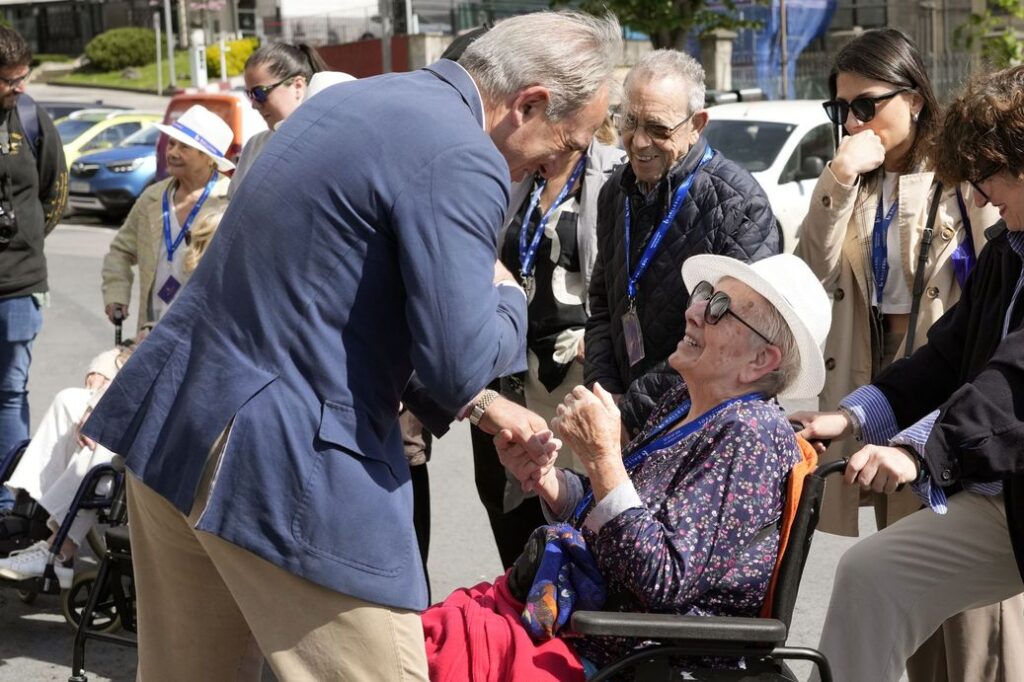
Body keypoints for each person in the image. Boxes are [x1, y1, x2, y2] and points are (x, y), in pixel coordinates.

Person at [82, 11, 622, 681]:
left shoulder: (352, 100)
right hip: (282, 466)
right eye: (566, 141)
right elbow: (458, 361)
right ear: (530, 103)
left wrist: (483, 408)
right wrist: (507, 295)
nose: (556, 164)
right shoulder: (463, 153)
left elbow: (329, 301)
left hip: (177, 430)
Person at [422, 253, 831, 679]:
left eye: (718, 308)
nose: (692, 311)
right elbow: (627, 509)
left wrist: (602, 457)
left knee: (428, 651)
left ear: (760, 361)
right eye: (705, 295)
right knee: (428, 636)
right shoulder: (684, 403)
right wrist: (549, 479)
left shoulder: (751, 433)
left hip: (646, 655)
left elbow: (664, 577)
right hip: (591, 628)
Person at [794, 30, 1016, 680]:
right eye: (842, 110)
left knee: (980, 648)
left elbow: (1005, 365)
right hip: (924, 410)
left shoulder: (964, 193)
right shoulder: (862, 187)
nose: (853, 122)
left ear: (915, 98)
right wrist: (857, 417)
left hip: (978, 431)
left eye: (866, 104)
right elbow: (948, 350)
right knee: (888, 597)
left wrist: (919, 445)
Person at [584, 49, 779, 403]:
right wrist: (604, 390)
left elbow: (733, 338)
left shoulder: (740, 203)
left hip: (704, 417)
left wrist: (633, 410)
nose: (639, 141)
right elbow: (602, 303)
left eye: (658, 128)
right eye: (629, 121)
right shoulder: (616, 191)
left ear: (697, 124)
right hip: (621, 408)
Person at [475, 138, 626, 568]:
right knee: (519, 500)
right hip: (518, 369)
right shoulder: (520, 175)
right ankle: (530, 608)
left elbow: (624, 271)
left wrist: (601, 334)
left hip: (580, 369)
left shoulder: (610, 171)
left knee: (580, 502)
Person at [0, 340, 138, 585]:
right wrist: (103, 370)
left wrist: (101, 403)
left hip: (165, 408)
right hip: (138, 383)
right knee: (67, 400)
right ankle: (32, 521)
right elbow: (139, 347)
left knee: (103, 433)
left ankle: (61, 548)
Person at [0, 26, 67, 510]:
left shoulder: (30, 117)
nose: (19, 87)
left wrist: (26, 240)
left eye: (23, 77)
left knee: (9, 393)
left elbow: (55, 192)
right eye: (8, 80)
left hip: (19, 285)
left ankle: (7, 504)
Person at [101, 105, 231, 335]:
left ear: (209, 158)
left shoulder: (230, 199)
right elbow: (120, 252)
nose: (172, 152)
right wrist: (117, 295)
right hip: (151, 330)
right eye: (171, 143)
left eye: (184, 147)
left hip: (204, 333)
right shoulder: (153, 197)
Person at [227, 42, 333, 197]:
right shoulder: (254, 146)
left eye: (260, 93)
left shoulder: (330, 143)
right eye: (249, 95)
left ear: (297, 86)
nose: (254, 105)